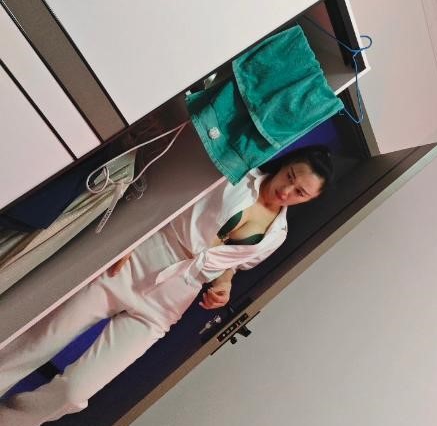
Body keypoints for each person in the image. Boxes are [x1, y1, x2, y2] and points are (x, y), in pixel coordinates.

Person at [0, 145, 333, 425]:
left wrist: (225, 285)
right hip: (141, 259)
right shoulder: (236, 174)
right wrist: (128, 239)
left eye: (300, 192)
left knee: (77, 391)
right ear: (285, 165)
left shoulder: (277, 236)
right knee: (38, 342)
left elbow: (230, 263)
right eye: (290, 177)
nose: (287, 191)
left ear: (310, 199)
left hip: (173, 298)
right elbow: (169, 200)